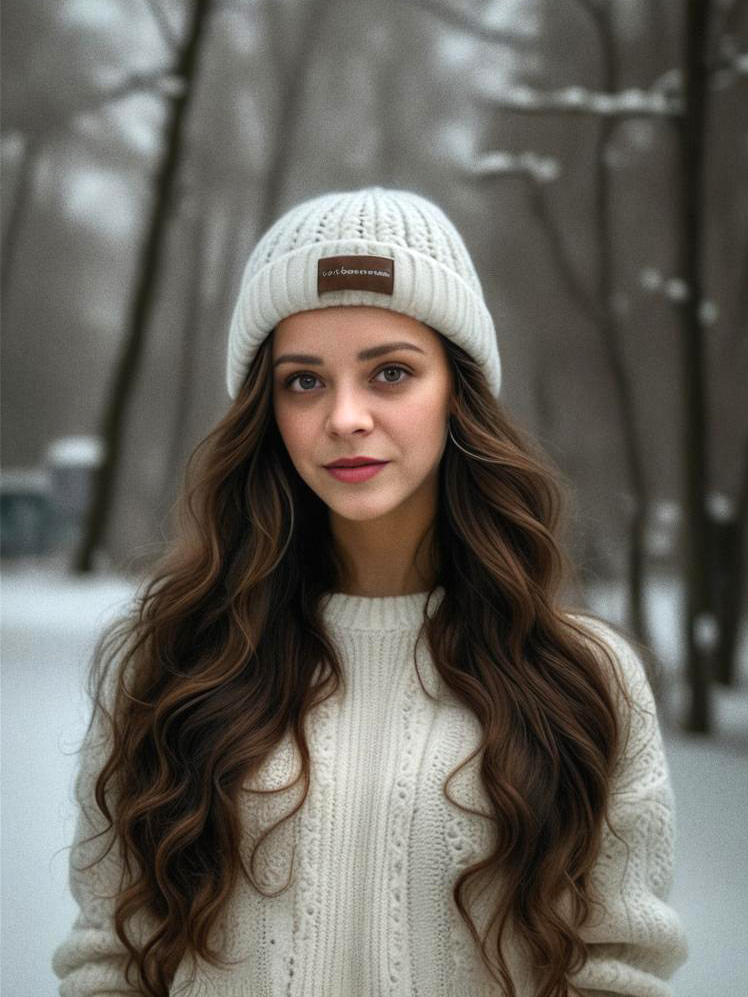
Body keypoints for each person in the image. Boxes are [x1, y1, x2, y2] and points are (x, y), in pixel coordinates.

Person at [52, 186, 688, 997]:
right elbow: (111, 956)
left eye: (390, 372)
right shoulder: (169, 656)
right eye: (304, 381)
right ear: (265, 407)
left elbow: (619, 970)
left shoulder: (583, 677)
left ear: (457, 390)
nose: (346, 416)